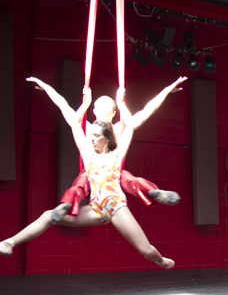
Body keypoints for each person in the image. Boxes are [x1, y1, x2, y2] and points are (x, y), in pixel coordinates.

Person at [0, 80, 174, 269]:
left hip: (116, 206)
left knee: (147, 251)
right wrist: (77, 100)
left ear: (107, 139)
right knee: (48, 215)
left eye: (96, 136)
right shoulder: (88, 155)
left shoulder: (117, 155)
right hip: (96, 209)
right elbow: (69, 114)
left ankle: (161, 260)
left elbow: (133, 123)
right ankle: (9, 242)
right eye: (90, 136)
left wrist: (127, 101)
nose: (91, 139)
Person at [49, 76, 187, 223]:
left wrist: (46, 87)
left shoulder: (87, 128)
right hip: (113, 173)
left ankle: (66, 203)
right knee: (132, 181)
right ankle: (152, 191)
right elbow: (148, 110)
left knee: (79, 186)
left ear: (94, 110)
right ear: (114, 113)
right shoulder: (120, 128)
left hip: (95, 172)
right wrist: (167, 90)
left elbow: (63, 105)